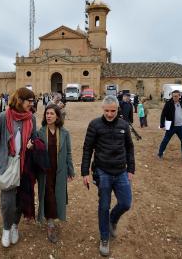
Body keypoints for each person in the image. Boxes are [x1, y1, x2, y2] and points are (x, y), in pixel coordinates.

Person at [0, 87, 37, 248]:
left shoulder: (31, 118)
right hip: (7, 164)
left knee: (20, 198)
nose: (32, 104)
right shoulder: (2, 117)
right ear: (19, 100)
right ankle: (6, 228)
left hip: (25, 164)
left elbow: (34, 138)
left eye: (33, 101)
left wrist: (32, 143)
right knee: (8, 201)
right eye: (29, 101)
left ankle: (14, 226)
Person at [81, 95, 135, 257]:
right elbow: (87, 149)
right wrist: (85, 172)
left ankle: (113, 219)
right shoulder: (95, 125)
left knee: (125, 203)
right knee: (103, 206)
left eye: (113, 111)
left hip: (121, 171)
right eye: (107, 111)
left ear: (117, 109)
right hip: (102, 171)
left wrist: (131, 169)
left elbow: (129, 148)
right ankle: (104, 238)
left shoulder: (124, 125)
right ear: (102, 109)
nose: (110, 114)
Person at [36, 104, 75, 243]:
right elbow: (35, 154)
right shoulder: (40, 132)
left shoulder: (64, 133)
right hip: (45, 172)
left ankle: (52, 218)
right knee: (48, 195)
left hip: (59, 170)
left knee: (57, 195)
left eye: (52, 113)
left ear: (57, 116)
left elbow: (68, 153)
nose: (49, 116)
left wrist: (71, 170)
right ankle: (50, 223)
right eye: (47, 113)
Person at [157, 90, 182, 162]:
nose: (174, 97)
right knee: (165, 140)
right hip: (172, 126)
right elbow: (163, 114)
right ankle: (160, 154)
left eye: (176, 96)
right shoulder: (168, 103)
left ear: (179, 96)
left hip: (181, 126)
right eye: (173, 96)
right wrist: (162, 125)